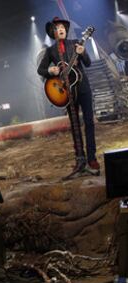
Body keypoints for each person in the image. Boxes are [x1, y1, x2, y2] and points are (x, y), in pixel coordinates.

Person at [37, 17, 99, 178]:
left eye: (63, 26)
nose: (61, 28)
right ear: (53, 32)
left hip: (83, 88)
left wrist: (83, 52)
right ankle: (80, 159)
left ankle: (92, 158)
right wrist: (50, 71)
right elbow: (40, 70)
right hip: (66, 92)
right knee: (74, 125)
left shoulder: (76, 43)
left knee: (89, 123)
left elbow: (88, 63)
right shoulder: (50, 51)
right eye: (57, 27)